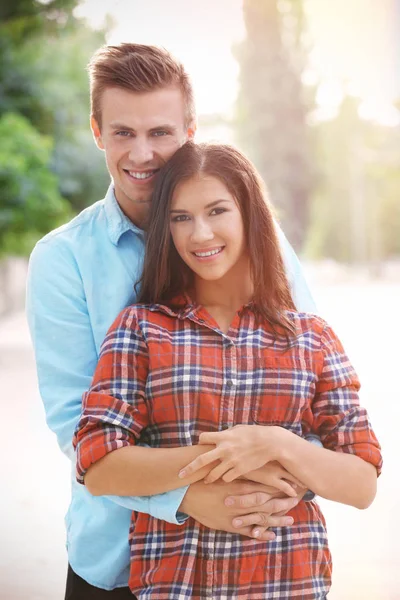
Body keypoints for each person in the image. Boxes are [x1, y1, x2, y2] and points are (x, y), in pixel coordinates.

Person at [27, 43, 318, 599]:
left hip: (254, 557)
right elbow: (77, 429)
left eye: (160, 132)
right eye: (123, 133)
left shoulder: (256, 237)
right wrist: (186, 497)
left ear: (190, 129)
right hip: (116, 562)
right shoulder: (63, 260)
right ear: (96, 132)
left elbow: (309, 377)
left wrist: (277, 480)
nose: (143, 153)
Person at [74, 141, 382, 599]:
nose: (199, 234)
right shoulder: (140, 329)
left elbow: (361, 484)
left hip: (290, 586)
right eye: (181, 218)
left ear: (250, 215)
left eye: (217, 211)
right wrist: (226, 459)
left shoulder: (311, 337)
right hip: (176, 588)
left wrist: (274, 443)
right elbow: (98, 466)